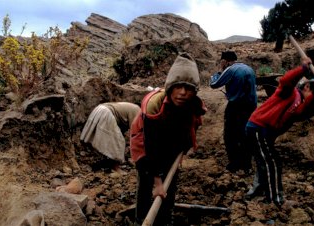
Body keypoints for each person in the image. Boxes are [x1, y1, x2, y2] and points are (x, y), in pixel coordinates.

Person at [130, 52, 207, 225]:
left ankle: (165, 217)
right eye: (178, 86)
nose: (182, 93)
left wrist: (183, 149)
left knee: (170, 181)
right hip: (145, 140)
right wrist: (157, 183)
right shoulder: (154, 104)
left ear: (194, 92)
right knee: (146, 178)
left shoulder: (194, 105)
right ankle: (140, 218)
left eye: (188, 89)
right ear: (170, 87)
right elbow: (151, 146)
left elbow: (192, 128)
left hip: (172, 139)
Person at [244, 56, 314, 208]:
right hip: (258, 127)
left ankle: (258, 190)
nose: (312, 97)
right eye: (313, 92)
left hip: (266, 132)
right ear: (307, 88)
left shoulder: (299, 104)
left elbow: (307, 113)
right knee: (272, 163)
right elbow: (285, 81)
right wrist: (303, 68)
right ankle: (276, 200)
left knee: (264, 161)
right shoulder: (289, 93)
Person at [209, 51, 257, 173]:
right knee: (246, 134)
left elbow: (214, 84)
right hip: (251, 107)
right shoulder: (249, 68)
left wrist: (219, 71)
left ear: (225, 61)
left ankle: (235, 164)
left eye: (222, 62)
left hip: (236, 107)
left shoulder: (231, 70)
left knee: (230, 136)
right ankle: (247, 165)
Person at [80, 102, 140, 172]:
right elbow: (135, 134)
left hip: (99, 109)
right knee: (119, 142)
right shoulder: (138, 111)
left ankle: (107, 162)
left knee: (113, 139)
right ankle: (116, 168)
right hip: (106, 113)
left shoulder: (129, 108)